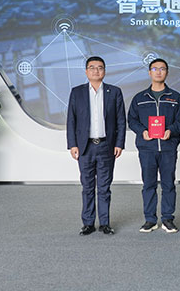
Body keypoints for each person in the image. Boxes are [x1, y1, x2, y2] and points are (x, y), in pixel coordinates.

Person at [66, 56, 126, 236]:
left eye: (100, 67)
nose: (96, 71)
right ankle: (88, 223)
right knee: (87, 186)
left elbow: (121, 120)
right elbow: (71, 120)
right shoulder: (77, 92)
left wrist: (119, 143)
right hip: (85, 147)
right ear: (86, 71)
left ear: (104, 71)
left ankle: (105, 223)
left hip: (107, 146)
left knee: (104, 187)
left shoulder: (114, 92)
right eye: (92, 67)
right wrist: (72, 144)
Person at [127, 58, 180, 233]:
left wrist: (171, 131)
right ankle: (150, 219)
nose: (158, 72)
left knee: (168, 184)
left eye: (162, 69)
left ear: (167, 72)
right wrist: (142, 131)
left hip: (168, 148)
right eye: (155, 69)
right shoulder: (139, 98)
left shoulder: (175, 97)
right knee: (148, 184)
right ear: (149, 72)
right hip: (147, 148)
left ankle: (168, 219)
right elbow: (132, 120)